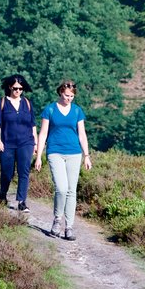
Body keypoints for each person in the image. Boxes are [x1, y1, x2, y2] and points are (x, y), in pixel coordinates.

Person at [34, 79, 91, 240]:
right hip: (55, 152)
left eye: (72, 96)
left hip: (74, 152)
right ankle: (57, 220)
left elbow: (82, 134)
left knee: (72, 190)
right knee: (61, 188)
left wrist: (86, 155)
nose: (69, 99)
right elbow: (43, 133)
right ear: (60, 92)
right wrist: (39, 156)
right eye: (67, 95)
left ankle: (70, 227)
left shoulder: (77, 111)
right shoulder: (50, 110)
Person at [0, 73, 36, 212]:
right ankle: (3, 195)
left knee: (24, 171)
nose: (18, 91)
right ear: (10, 87)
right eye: (16, 88)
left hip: (26, 142)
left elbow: (33, 124)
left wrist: (35, 143)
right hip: (7, 143)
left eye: (21, 88)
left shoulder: (27, 103)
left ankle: (22, 202)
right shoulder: (2, 103)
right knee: (7, 172)